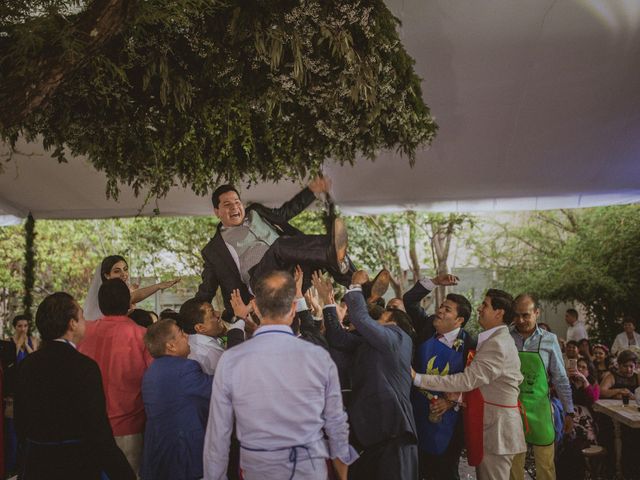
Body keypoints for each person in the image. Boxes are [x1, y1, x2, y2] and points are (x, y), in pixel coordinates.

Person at [203, 271, 357, 480]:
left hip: (258, 471)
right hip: (309, 469)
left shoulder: (231, 360)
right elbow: (336, 426)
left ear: (255, 308)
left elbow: (217, 436)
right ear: (293, 309)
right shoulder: (318, 357)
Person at [14, 292, 134, 480]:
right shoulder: (84, 367)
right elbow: (98, 430)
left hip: (36, 464)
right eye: (81, 316)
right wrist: (124, 474)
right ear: (72, 324)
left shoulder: (26, 365)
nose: (84, 322)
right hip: (76, 465)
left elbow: (20, 423)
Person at [194, 177, 354, 319]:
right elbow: (206, 289)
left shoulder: (256, 211)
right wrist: (184, 318)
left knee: (327, 246)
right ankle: (330, 252)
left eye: (237, 202)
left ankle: (359, 287)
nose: (235, 207)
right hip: (262, 283)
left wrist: (311, 191)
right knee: (279, 246)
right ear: (217, 212)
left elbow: (284, 213)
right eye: (227, 205)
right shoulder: (213, 250)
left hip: (290, 270)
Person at [315, 270, 418, 480]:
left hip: (394, 435)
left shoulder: (398, 338)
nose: (378, 316)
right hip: (372, 437)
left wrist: (355, 285)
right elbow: (337, 338)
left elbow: (361, 318)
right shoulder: (371, 344)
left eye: (382, 314)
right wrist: (327, 301)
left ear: (393, 320)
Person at [413, 289, 526, 480]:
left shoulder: (497, 343)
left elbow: (467, 380)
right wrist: (457, 398)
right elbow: (486, 386)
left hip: (496, 432)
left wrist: (417, 378)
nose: (480, 309)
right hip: (489, 427)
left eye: (485, 305)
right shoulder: (492, 340)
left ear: (499, 313)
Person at [403, 274, 476, 480]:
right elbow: (409, 300)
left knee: (444, 472)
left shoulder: (470, 345)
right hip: (416, 411)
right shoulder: (427, 326)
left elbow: (472, 382)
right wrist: (434, 282)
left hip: (448, 420)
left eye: (447, 310)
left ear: (459, 320)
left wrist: (449, 401)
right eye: (441, 307)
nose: (440, 311)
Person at [78, 278, 153, 474]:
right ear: (128, 303)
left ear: (100, 304)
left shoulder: (84, 332)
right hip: (130, 428)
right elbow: (153, 382)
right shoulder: (142, 335)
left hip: (88, 428)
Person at [509, 293, 574, 480]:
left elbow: (561, 378)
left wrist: (569, 411)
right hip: (512, 409)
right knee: (514, 467)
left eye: (526, 315)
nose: (520, 320)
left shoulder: (549, 340)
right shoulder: (505, 337)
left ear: (537, 313)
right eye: (517, 315)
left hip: (541, 410)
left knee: (545, 466)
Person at [141, 320, 213, 480]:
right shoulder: (185, 369)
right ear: (170, 346)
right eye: (181, 334)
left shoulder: (151, 371)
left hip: (158, 456)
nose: (187, 336)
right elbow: (218, 389)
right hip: (182, 456)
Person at [84, 255, 180, 320]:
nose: (123, 274)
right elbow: (133, 297)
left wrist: (158, 286)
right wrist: (158, 286)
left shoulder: (123, 291)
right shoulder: (106, 293)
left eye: (125, 269)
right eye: (117, 271)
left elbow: (133, 296)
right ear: (107, 275)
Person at [557, 358, 600, 479]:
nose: (579, 369)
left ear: (589, 371)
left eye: (583, 367)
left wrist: (584, 382)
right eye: (578, 366)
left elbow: (593, 400)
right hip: (567, 418)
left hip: (585, 421)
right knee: (566, 446)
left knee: (576, 447)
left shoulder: (592, 384)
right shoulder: (566, 382)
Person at [178, 298, 245, 375]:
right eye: (212, 313)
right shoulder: (204, 355)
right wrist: (240, 319)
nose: (218, 314)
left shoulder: (208, 339)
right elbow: (234, 368)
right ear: (200, 328)